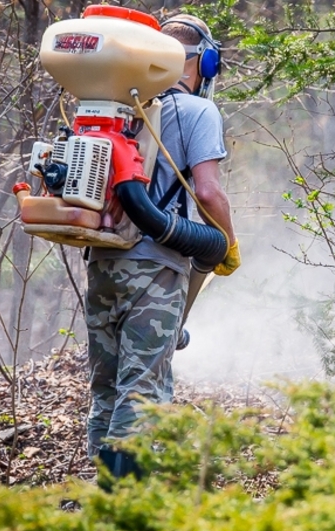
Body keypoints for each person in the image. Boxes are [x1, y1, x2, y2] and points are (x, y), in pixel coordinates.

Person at [84, 13, 240, 479]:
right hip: (156, 267)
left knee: (106, 392)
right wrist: (226, 243)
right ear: (204, 64)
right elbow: (209, 192)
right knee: (141, 393)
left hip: (102, 263)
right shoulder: (197, 111)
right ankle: (124, 502)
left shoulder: (117, 105)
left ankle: (102, 493)